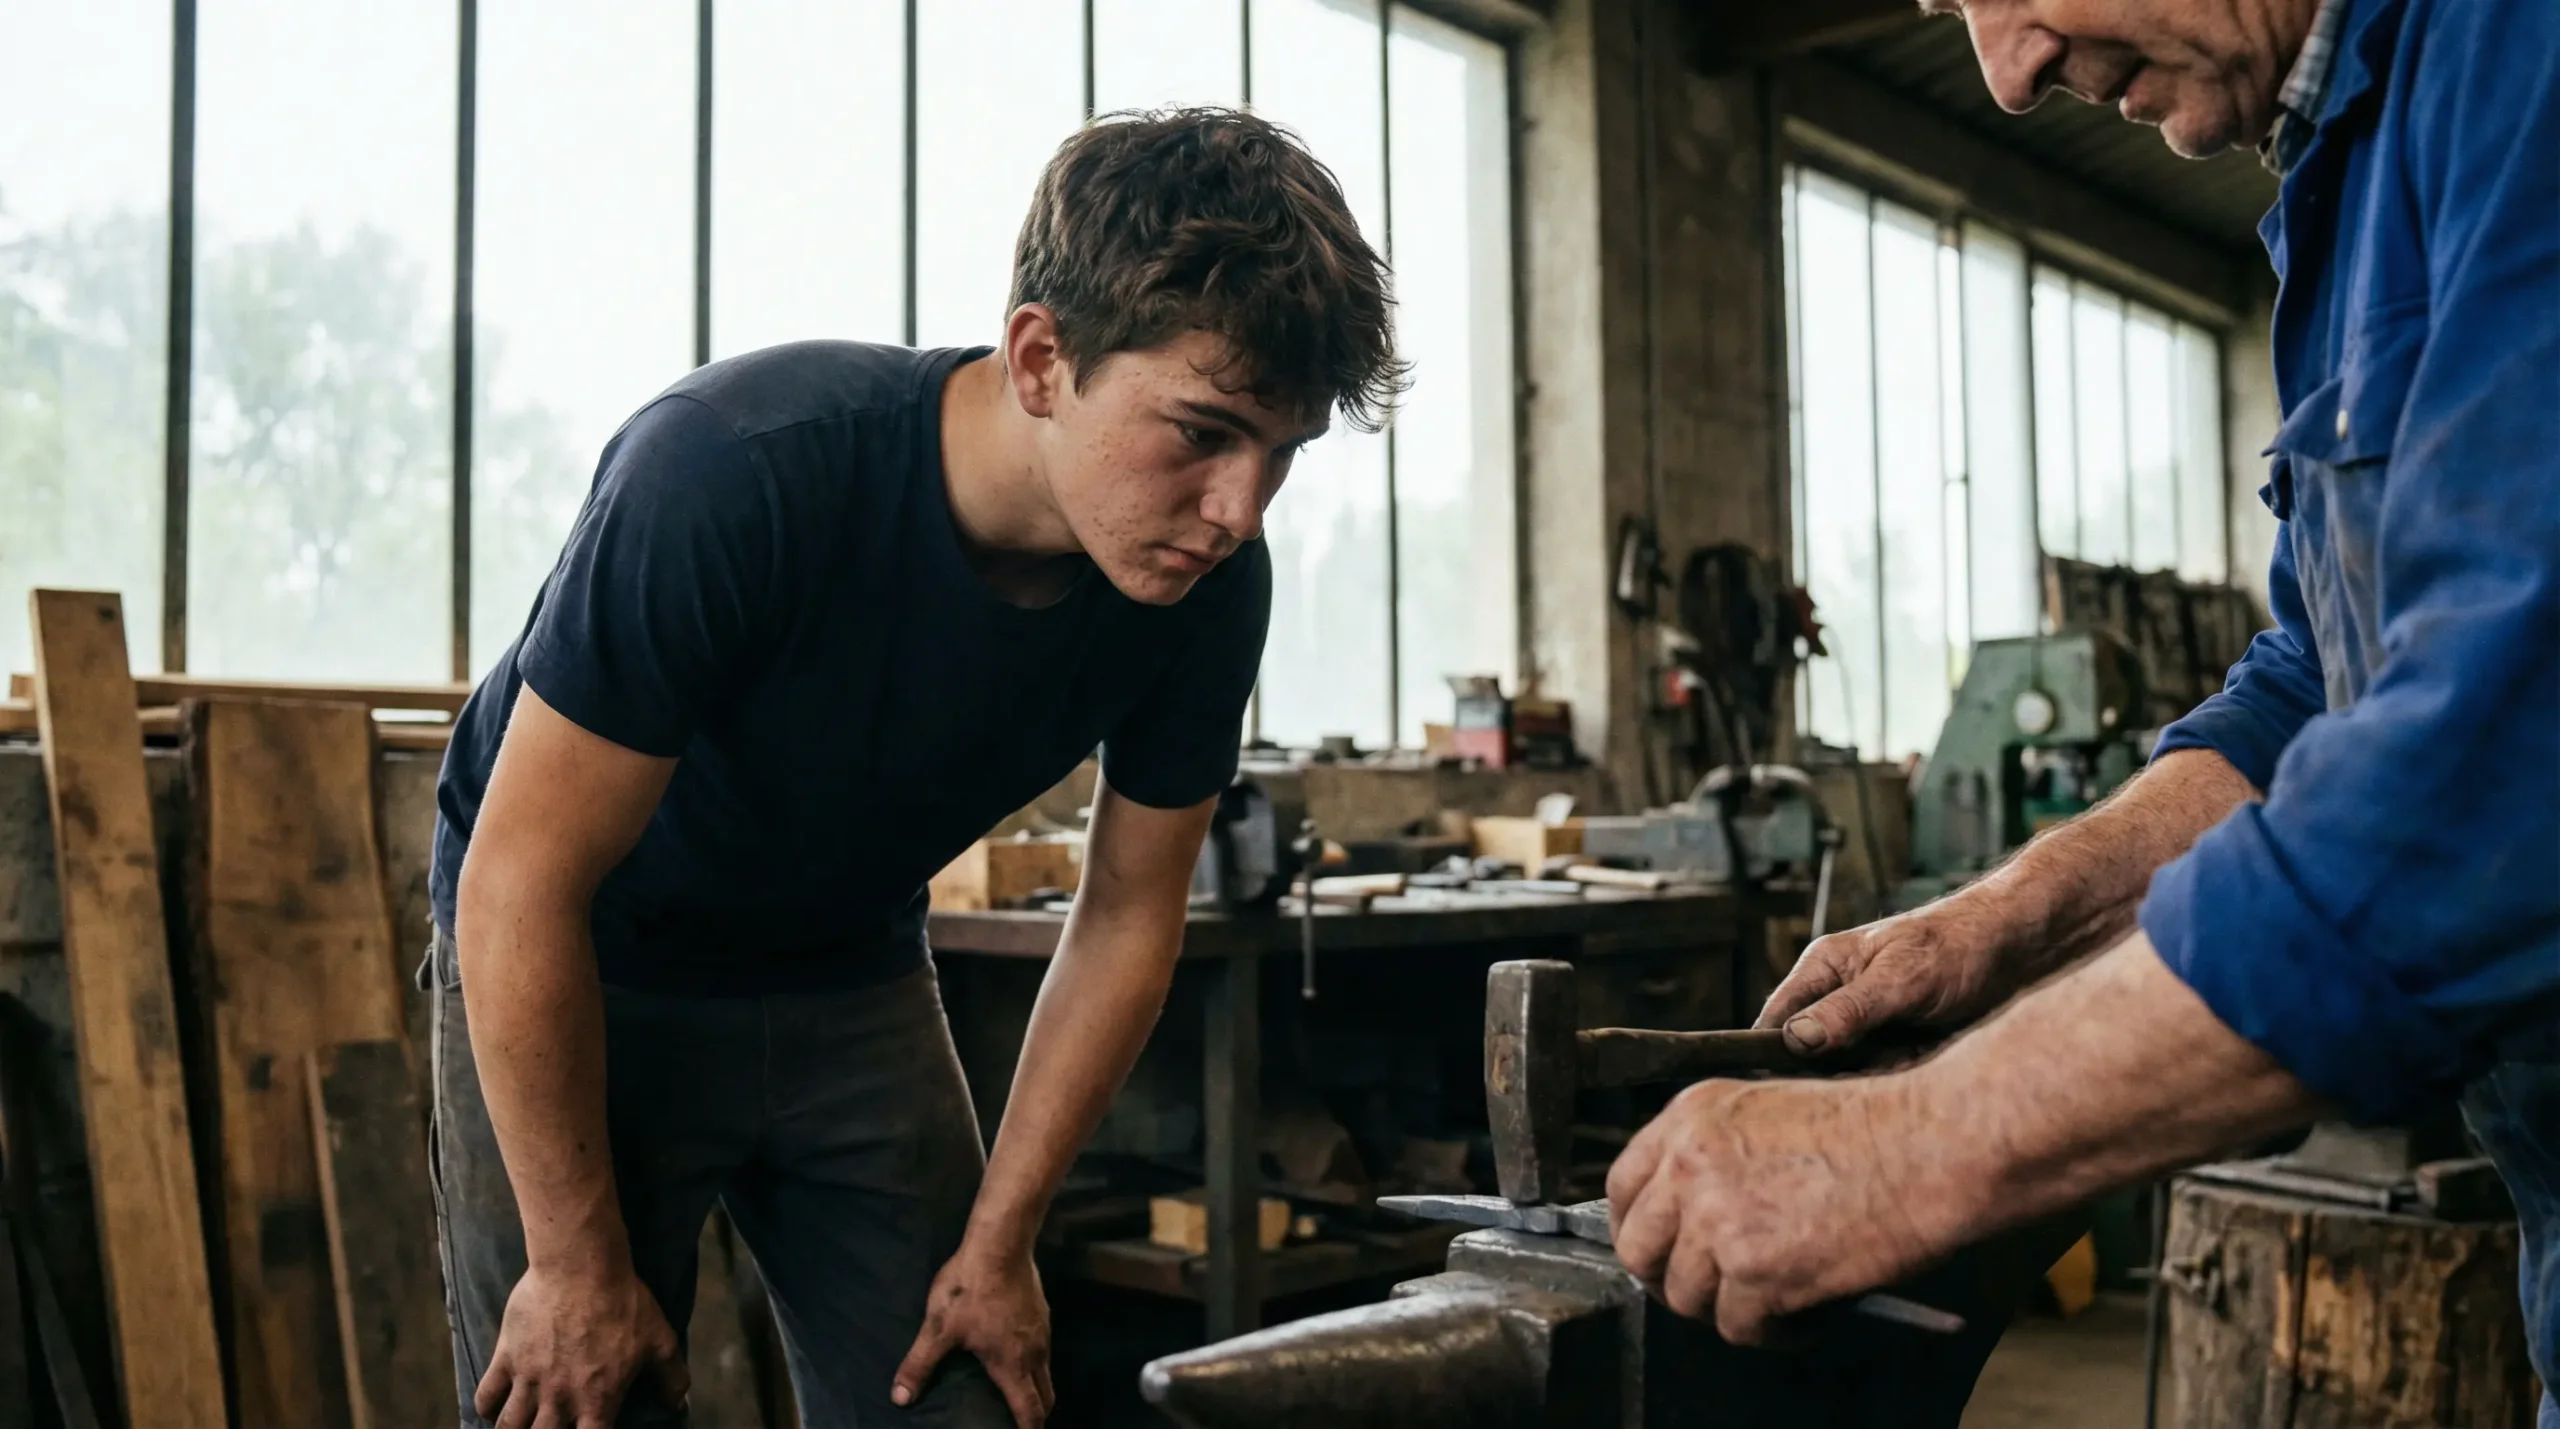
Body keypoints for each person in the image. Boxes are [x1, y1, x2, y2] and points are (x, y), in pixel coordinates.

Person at [1606, 0, 2558, 1417]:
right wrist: (2005, 922)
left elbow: (2492, 779)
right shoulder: (2340, 180)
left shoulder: (2515, 50)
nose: (2006, 74)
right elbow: (2312, 693)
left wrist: (1901, 1155)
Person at [426, 108, 1401, 1428]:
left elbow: (1129, 915)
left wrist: (1002, 1246)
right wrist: (572, 1267)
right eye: (1201, 434)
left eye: (1282, 457)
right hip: (586, 956)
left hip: (848, 969)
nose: (1240, 511)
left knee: (960, 1394)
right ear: (1042, 359)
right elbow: (520, 880)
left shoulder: (1208, 588)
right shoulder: (733, 469)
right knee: (581, 1388)